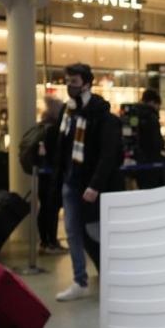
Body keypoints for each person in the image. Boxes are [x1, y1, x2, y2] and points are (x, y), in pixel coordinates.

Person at [54, 63, 124, 302]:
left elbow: (108, 154)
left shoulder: (101, 115)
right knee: (73, 231)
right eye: (67, 81)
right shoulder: (68, 112)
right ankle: (80, 280)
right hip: (71, 182)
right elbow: (62, 147)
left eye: (73, 81)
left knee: (96, 232)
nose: (69, 86)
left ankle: (113, 276)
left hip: (93, 186)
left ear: (86, 83)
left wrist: (95, 185)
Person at [37, 96, 66, 254]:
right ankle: (51, 242)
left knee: (44, 208)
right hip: (52, 175)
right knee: (52, 208)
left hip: (43, 174)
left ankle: (45, 241)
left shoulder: (42, 127)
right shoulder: (55, 130)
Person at [132, 89, 164, 189]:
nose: (158, 108)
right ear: (153, 102)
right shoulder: (151, 116)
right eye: (158, 105)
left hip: (138, 161)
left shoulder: (134, 114)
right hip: (152, 162)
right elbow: (156, 142)